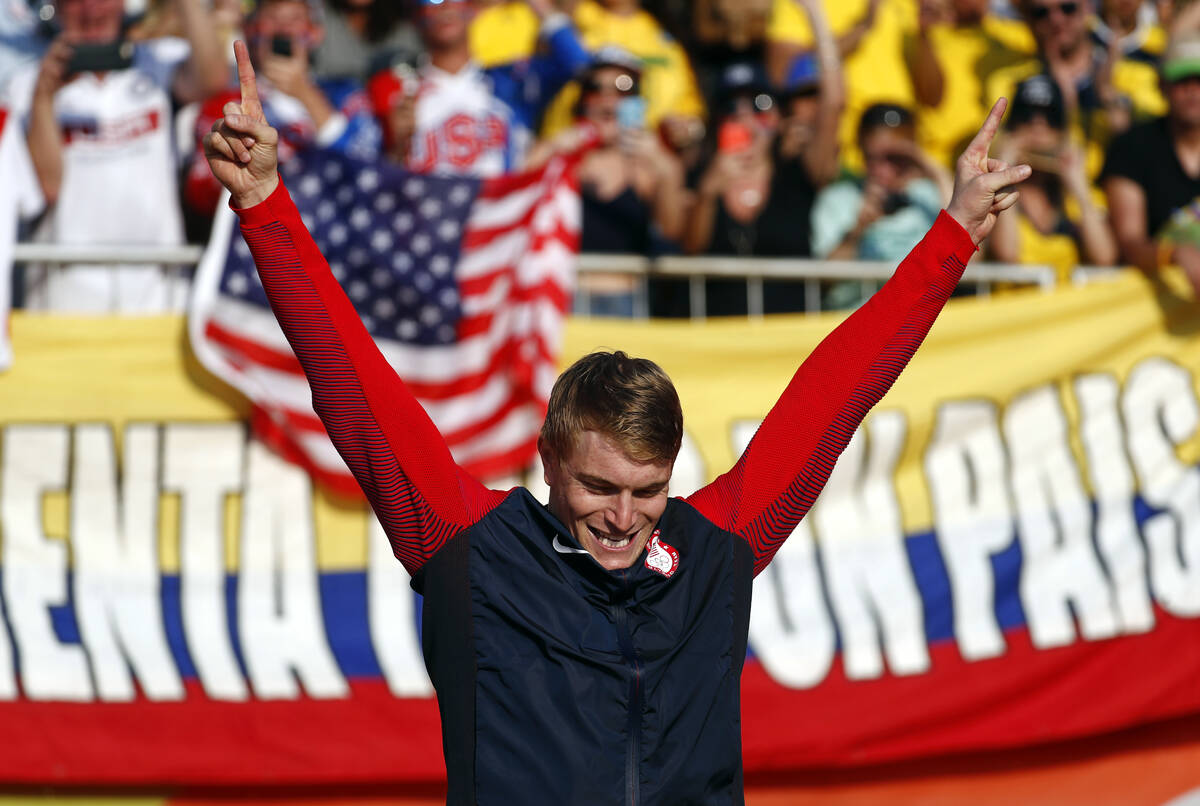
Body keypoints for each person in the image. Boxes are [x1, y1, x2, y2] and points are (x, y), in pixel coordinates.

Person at [205, 39, 1028, 803]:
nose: (624, 517)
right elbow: (349, 382)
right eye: (600, 486)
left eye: (648, 490)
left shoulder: (715, 548)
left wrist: (952, 234)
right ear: (550, 459)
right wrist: (265, 204)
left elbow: (838, 393)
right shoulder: (466, 542)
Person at [4, 0, 225, 312]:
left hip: (158, 291)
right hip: (62, 296)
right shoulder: (26, 84)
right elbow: (46, 188)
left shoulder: (158, 62)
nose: (92, 9)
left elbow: (212, 80)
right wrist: (44, 96)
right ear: (56, 8)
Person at [181, 0, 382, 223]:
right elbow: (200, 195)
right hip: (259, 243)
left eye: (295, 19)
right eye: (272, 18)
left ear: (315, 32)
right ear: (251, 29)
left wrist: (306, 95)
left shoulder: (347, 96)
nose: (283, 29)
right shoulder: (225, 105)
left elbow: (367, 168)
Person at [525, 47, 688, 317]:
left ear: (638, 99)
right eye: (595, 88)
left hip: (626, 302)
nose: (607, 100)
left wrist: (664, 166)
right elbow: (516, 191)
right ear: (583, 100)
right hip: (565, 300)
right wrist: (553, 147)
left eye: (622, 88)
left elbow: (673, 231)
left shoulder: (649, 163)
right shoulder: (565, 154)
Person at [404, 0, 590, 177]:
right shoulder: (401, 92)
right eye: (430, 0)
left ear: (472, 9)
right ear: (415, 18)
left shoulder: (510, 82)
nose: (444, 6)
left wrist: (540, 6)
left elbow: (578, 65)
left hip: (503, 206)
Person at [810, 102, 953, 307]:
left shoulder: (929, 195)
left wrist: (929, 166)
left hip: (923, 326)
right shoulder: (837, 198)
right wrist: (857, 231)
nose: (880, 170)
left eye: (894, 158)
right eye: (871, 158)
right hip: (855, 321)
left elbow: (969, 257)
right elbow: (823, 279)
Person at [989, 74, 1117, 279]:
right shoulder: (992, 192)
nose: (1039, 125)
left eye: (1051, 117)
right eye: (1027, 115)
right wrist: (1005, 173)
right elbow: (1007, 254)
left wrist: (1079, 188)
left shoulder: (1071, 197)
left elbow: (1104, 257)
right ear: (1011, 128)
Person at [1102, 32, 1200, 296]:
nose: (1192, 90)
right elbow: (1129, 243)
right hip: (1151, 306)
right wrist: (1174, 254)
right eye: (1182, 80)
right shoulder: (1132, 146)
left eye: (1199, 80)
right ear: (1161, 85)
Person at [904, 0, 1035, 169]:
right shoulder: (932, 35)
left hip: (1000, 159)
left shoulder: (1015, 35)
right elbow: (930, 97)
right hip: (943, 161)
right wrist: (925, 33)